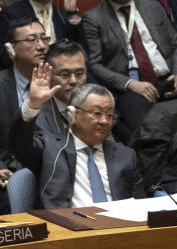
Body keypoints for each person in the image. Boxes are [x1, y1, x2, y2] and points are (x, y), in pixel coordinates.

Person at [82, 0, 177, 133]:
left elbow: (176, 44)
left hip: (167, 79)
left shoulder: (152, 7)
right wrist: (130, 84)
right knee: (146, 133)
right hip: (132, 87)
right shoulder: (94, 18)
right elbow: (95, 64)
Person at [10, 69, 144, 209]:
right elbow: (18, 144)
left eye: (110, 115)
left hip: (119, 225)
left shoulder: (126, 155)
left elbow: (141, 204)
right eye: (97, 113)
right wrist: (33, 104)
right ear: (72, 115)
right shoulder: (50, 148)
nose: (105, 121)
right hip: (68, 226)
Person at [0, 18, 47, 212]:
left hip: (50, 173)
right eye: (31, 40)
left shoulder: (58, 83)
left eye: (44, 39)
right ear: (11, 49)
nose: (41, 46)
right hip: (4, 173)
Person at [31, 39, 90, 136]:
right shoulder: (36, 114)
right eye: (64, 74)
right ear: (47, 75)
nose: (73, 81)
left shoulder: (94, 105)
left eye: (79, 74)